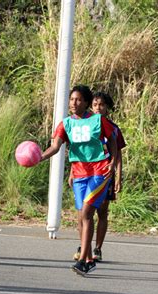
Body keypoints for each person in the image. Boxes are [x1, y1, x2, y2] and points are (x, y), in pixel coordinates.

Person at [41, 85, 117, 275]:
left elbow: (113, 141)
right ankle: (89, 257)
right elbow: (55, 147)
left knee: (87, 213)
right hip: (79, 173)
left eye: (78, 100)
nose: (74, 103)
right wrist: (39, 157)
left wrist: (113, 162)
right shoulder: (66, 124)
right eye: (71, 99)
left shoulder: (98, 120)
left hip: (99, 171)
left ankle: (84, 259)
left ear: (86, 102)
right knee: (81, 218)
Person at [89, 92, 126, 262]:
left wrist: (118, 177)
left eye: (102, 105)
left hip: (105, 174)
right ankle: (84, 246)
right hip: (87, 173)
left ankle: (98, 248)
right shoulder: (85, 125)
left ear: (108, 108)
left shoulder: (114, 128)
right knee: (83, 212)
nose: (98, 108)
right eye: (95, 104)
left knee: (102, 211)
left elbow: (117, 154)